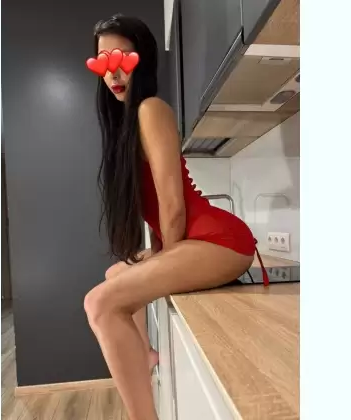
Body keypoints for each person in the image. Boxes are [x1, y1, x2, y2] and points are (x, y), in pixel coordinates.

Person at [84, 14, 267, 420]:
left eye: (123, 58)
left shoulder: (151, 108)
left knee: (98, 303)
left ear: (143, 59)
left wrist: (164, 259)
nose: (113, 72)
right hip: (198, 240)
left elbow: (173, 206)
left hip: (219, 240)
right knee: (116, 274)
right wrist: (157, 259)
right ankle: (145, 354)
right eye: (103, 61)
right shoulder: (127, 123)